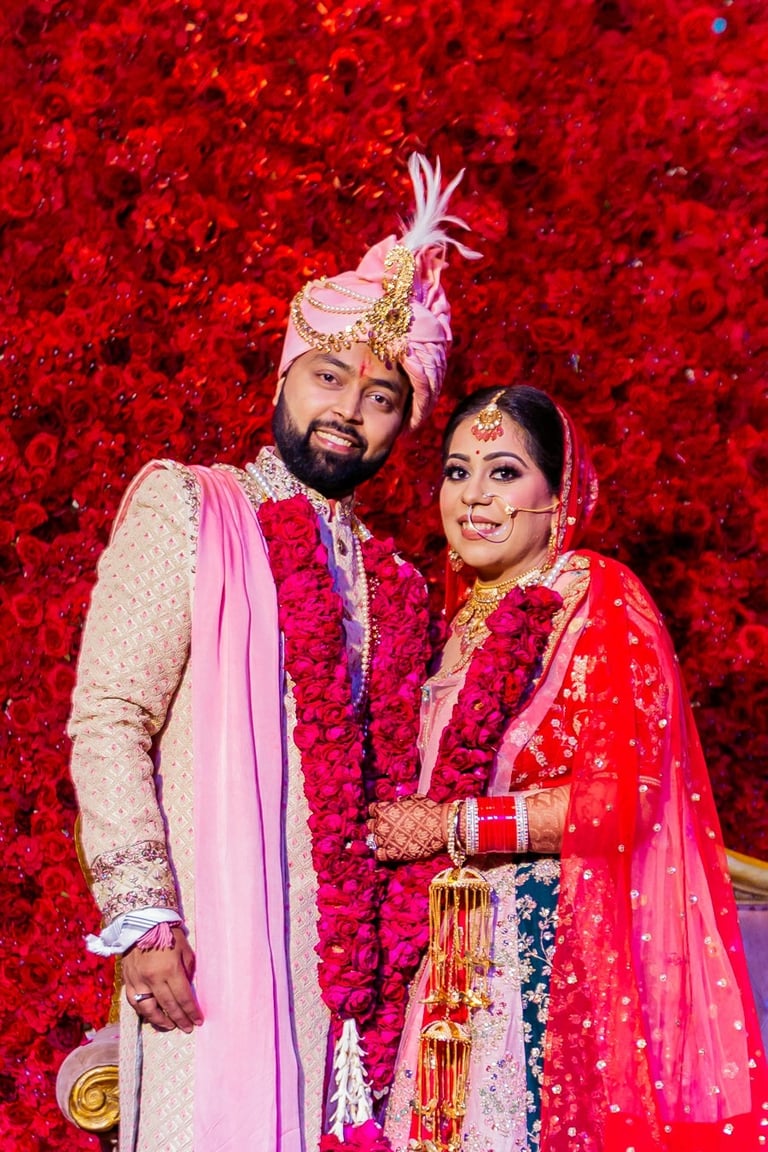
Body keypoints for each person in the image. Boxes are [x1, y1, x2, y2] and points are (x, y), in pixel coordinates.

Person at [67, 154, 478, 1152]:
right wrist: (144, 917)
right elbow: (110, 715)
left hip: (354, 978)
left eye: (382, 397)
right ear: (284, 374)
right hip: (210, 953)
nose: (348, 410)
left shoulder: (397, 582)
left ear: (403, 425)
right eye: (329, 376)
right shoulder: (189, 507)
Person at [369, 385, 768, 1152]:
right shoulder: (441, 625)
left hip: (546, 953)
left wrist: (452, 824)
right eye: (457, 472)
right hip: (438, 952)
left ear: (559, 494)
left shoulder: (596, 598)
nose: (474, 497)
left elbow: (623, 802)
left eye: (504, 472)